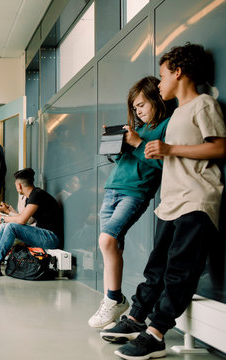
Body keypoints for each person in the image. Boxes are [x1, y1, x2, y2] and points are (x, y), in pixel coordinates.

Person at [102, 44, 226, 360]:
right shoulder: (176, 115)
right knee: (156, 268)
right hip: (171, 201)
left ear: (178, 71)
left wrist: (169, 150)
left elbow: (220, 147)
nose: (159, 84)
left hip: (196, 200)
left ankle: (156, 334)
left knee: (179, 272)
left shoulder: (203, 104)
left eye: (162, 75)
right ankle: (135, 318)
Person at [88, 76, 173, 329]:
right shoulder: (139, 129)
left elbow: (164, 164)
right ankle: (111, 304)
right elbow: (126, 160)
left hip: (135, 192)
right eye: (135, 107)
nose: (138, 110)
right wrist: (117, 145)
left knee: (107, 240)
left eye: (142, 105)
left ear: (157, 100)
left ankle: (114, 299)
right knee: (111, 248)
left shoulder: (167, 125)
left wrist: (137, 143)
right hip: (112, 189)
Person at [0, 168, 61, 276]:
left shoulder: (37, 195)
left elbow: (22, 220)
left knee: (10, 226)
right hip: (43, 235)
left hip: (50, 238)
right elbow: (27, 219)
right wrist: (7, 212)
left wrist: (2, 218)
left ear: (19, 185)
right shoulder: (33, 196)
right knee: (7, 225)